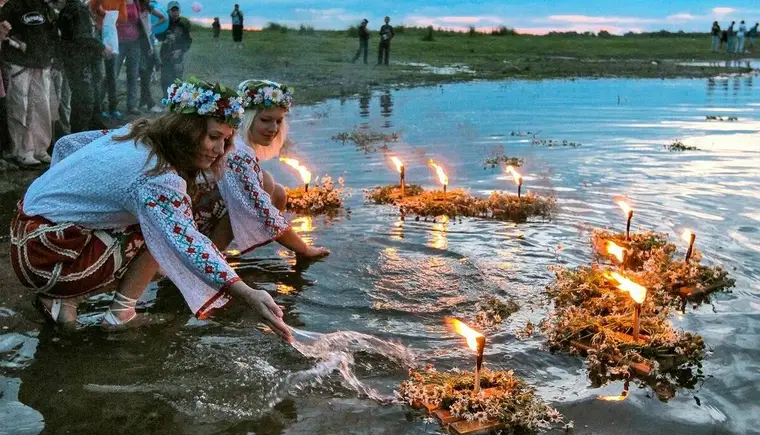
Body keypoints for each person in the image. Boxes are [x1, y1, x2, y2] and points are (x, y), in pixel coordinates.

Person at [10, 78, 292, 341]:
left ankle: (64, 300)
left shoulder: (136, 132)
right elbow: (188, 242)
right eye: (213, 137)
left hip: (27, 234)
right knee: (160, 228)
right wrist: (246, 292)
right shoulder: (157, 177)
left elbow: (67, 144)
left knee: (156, 217)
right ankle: (119, 314)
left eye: (226, 140)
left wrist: (67, 198)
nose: (219, 150)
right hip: (49, 257)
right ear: (185, 130)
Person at [230, 79, 330, 257]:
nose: (273, 128)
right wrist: (304, 249)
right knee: (265, 182)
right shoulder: (238, 152)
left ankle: (226, 248)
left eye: (279, 121)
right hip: (197, 216)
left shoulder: (241, 146)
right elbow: (262, 209)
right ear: (247, 118)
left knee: (278, 193)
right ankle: (213, 249)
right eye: (265, 120)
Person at [0, 0, 58, 167]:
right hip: (19, 63)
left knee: (41, 107)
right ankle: (21, 150)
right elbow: (4, 31)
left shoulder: (44, 7)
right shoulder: (12, 6)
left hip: (42, 63)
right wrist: (16, 44)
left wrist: (53, 56)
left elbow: (53, 33)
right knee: (20, 107)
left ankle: (41, 148)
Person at [57, 0, 112, 133]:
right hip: (78, 60)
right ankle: (80, 133)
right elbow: (81, 36)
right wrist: (101, 47)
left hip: (73, 58)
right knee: (84, 100)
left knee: (82, 99)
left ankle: (88, 130)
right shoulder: (77, 10)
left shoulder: (68, 9)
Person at [90, 0, 127, 119]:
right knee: (98, 73)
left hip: (110, 35)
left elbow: (123, 18)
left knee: (111, 74)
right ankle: (98, 108)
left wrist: (107, 14)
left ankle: (113, 108)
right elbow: (92, 7)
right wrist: (105, 13)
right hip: (97, 34)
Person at [157, 1, 191, 98]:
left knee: (177, 77)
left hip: (178, 56)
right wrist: (166, 38)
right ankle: (166, 97)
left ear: (179, 11)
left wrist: (180, 50)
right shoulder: (163, 24)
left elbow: (188, 41)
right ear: (168, 11)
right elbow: (158, 37)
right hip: (165, 55)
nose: (175, 13)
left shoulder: (183, 25)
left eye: (176, 10)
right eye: (172, 10)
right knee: (165, 77)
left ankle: (177, 98)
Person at [137, 0, 165, 113]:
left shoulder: (149, 8)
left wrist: (153, 25)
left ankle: (143, 102)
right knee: (144, 73)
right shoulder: (136, 8)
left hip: (149, 43)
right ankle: (149, 103)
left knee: (147, 74)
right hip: (139, 43)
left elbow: (163, 17)